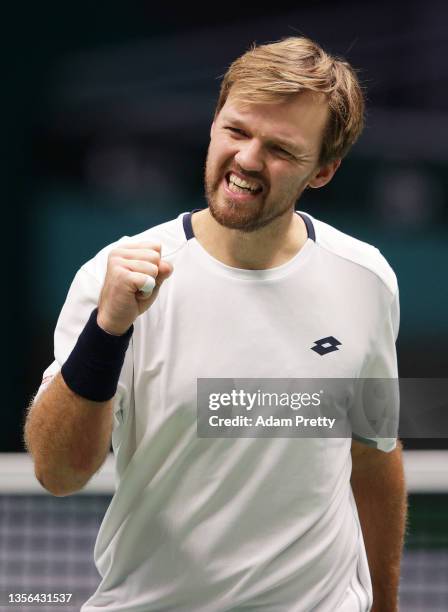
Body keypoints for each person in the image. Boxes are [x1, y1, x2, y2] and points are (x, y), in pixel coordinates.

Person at [24, 36, 407, 611]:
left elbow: (373, 451)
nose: (249, 159)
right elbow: (59, 473)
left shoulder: (367, 278)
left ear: (323, 170)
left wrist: (386, 604)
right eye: (236, 131)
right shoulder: (113, 277)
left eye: (280, 148)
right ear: (213, 125)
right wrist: (108, 331)